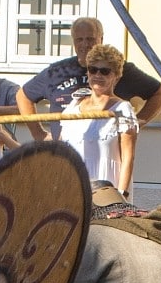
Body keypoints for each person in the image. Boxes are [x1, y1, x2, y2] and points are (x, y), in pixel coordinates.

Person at [15, 17, 161, 141]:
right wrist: (38, 133)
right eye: (79, 39)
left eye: (90, 39)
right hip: (63, 154)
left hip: (106, 153)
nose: (85, 44)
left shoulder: (120, 69)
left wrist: (135, 123)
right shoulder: (58, 71)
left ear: (101, 39)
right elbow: (23, 95)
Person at [55, 44, 138, 198]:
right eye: (93, 69)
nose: (98, 75)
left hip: (108, 190)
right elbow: (61, 151)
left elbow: (128, 157)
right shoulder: (74, 106)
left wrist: (121, 195)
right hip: (73, 189)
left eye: (105, 71)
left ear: (116, 76)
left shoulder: (122, 109)